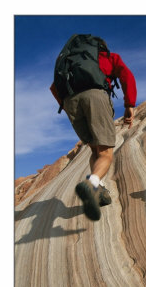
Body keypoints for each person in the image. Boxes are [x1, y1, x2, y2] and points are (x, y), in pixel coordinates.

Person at [51, 36, 137, 221]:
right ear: (100, 47)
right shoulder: (107, 56)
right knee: (106, 153)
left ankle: (97, 190)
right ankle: (92, 183)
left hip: (70, 101)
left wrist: (68, 106)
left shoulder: (67, 62)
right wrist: (129, 104)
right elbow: (126, 76)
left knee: (94, 149)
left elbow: (53, 87)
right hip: (95, 96)